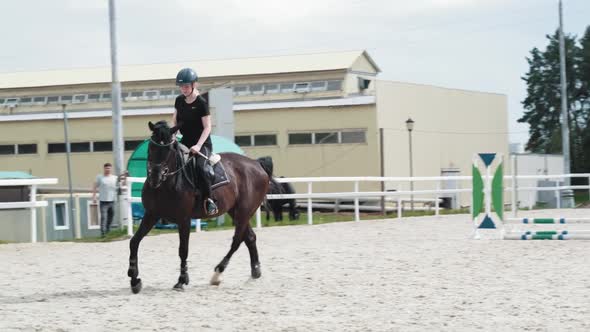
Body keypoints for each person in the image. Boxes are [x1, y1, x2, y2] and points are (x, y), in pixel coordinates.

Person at [172, 67, 218, 215]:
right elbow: (175, 122)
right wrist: (172, 136)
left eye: (186, 86)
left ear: (194, 85)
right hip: (184, 141)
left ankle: (209, 201)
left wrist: (198, 145)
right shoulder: (179, 101)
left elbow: (207, 127)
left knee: (200, 167)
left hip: (202, 143)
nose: (183, 89)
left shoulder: (201, 103)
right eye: (181, 86)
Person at [92, 163, 118, 237]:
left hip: (112, 200)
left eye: (109, 168)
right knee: (104, 217)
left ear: (111, 169)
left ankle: (108, 230)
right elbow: (94, 186)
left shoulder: (115, 178)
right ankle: (103, 233)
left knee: (111, 216)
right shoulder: (100, 177)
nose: (108, 169)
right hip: (103, 201)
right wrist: (94, 197)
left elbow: (120, 186)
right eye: (106, 168)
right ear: (104, 169)